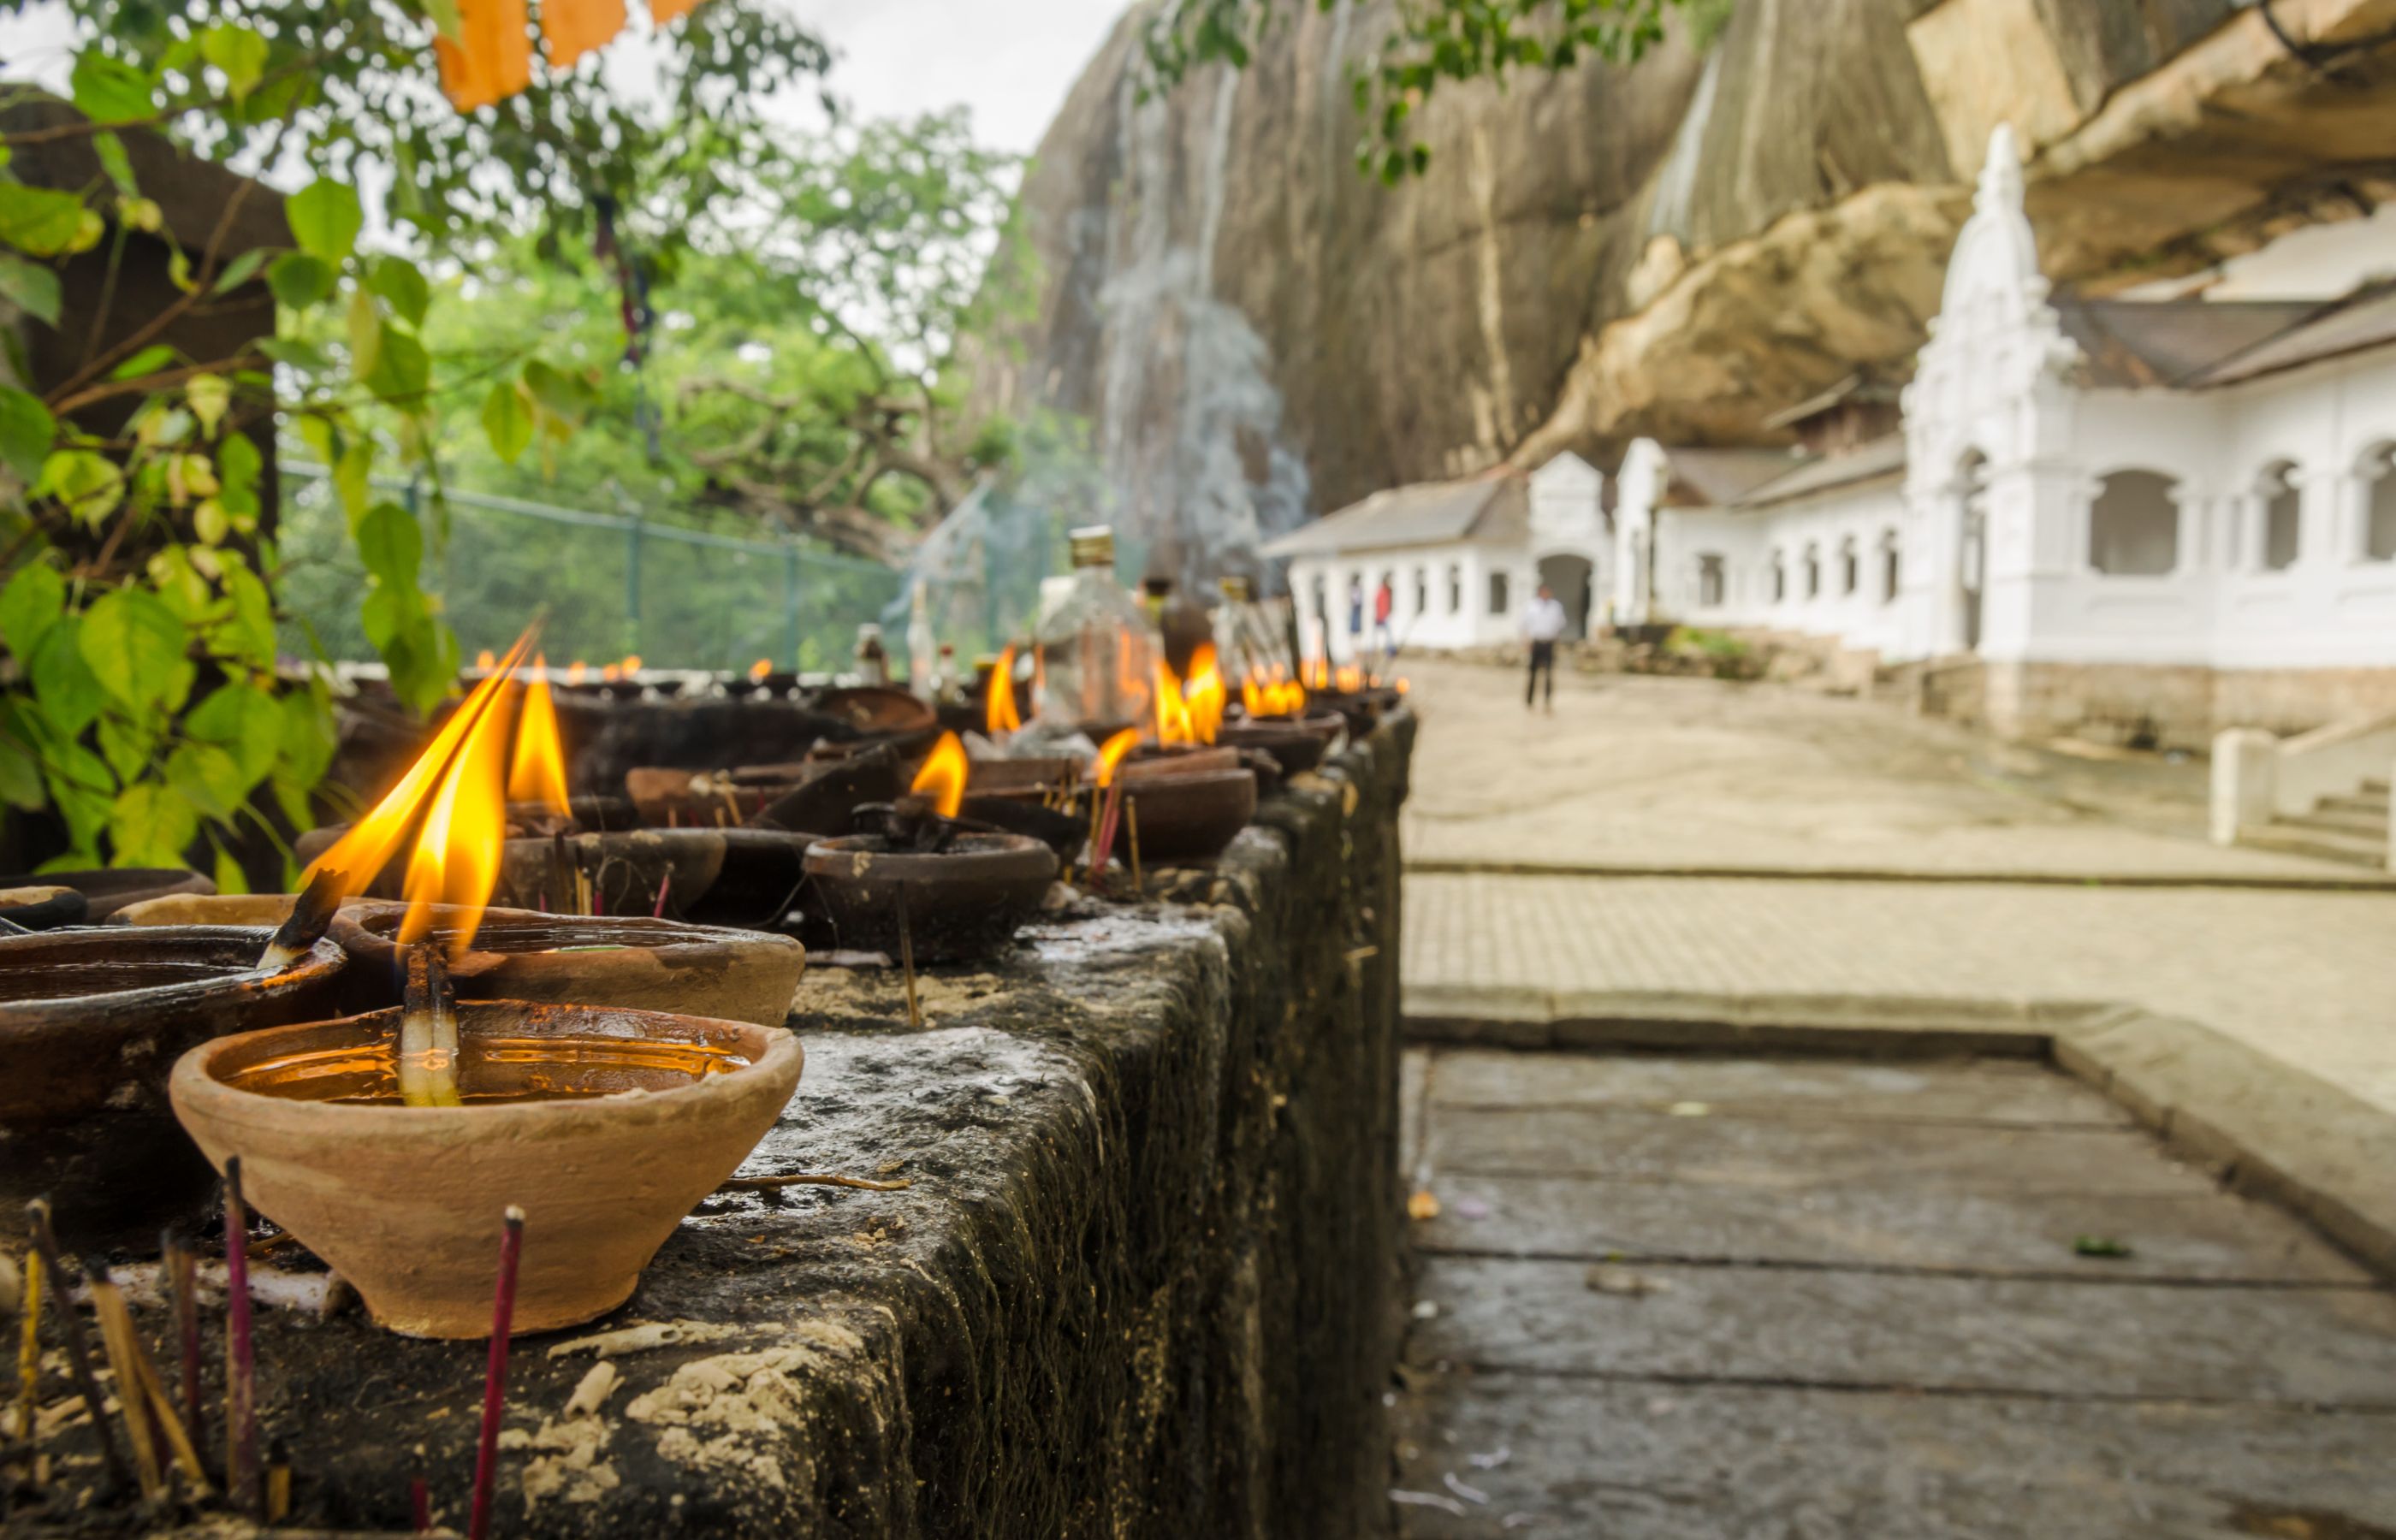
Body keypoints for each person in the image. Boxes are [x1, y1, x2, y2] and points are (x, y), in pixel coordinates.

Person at [1522, 582, 1567, 711]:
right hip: (1536, 642)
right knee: (1532, 673)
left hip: (1549, 642)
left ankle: (1547, 701)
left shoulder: (1556, 607)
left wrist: (1556, 641)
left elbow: (1560, 625)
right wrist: (1526, 641)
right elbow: (1524, 625)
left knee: (1548, 673)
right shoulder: (1531, 607)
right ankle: (1529, 701)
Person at [1372, 575, 1395, 656]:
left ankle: (1389, 649)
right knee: (1379, 634)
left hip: (1383, 616)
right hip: (1381, 616)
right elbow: (1379, 604)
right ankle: (1373, 649)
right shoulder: (1382, 593)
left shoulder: (1386, 592)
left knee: (1387, 634)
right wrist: (1381, 615)